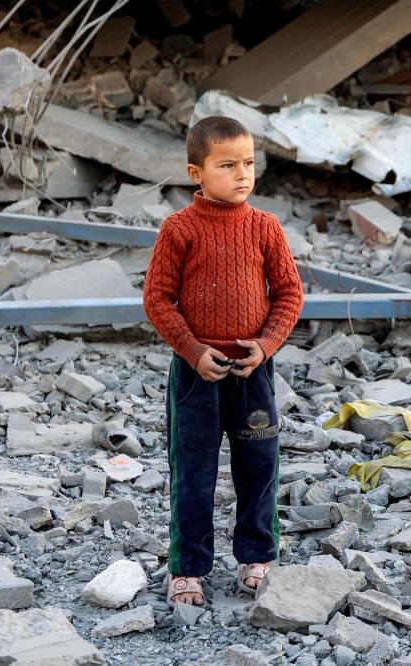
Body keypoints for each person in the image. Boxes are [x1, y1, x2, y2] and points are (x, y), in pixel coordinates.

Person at [142, 115, 303, 607]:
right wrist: (192, 350)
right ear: (196, 173)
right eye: (227, 165)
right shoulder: (179, 230)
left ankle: (257, 556)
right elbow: (157, 299)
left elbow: (290, 293)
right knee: (192, 470)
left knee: (259, 465)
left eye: (249, 163)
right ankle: (187, 567)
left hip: (251, 371)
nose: (242, 175)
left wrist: (266, 345)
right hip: (197, 373)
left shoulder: (265, 228)